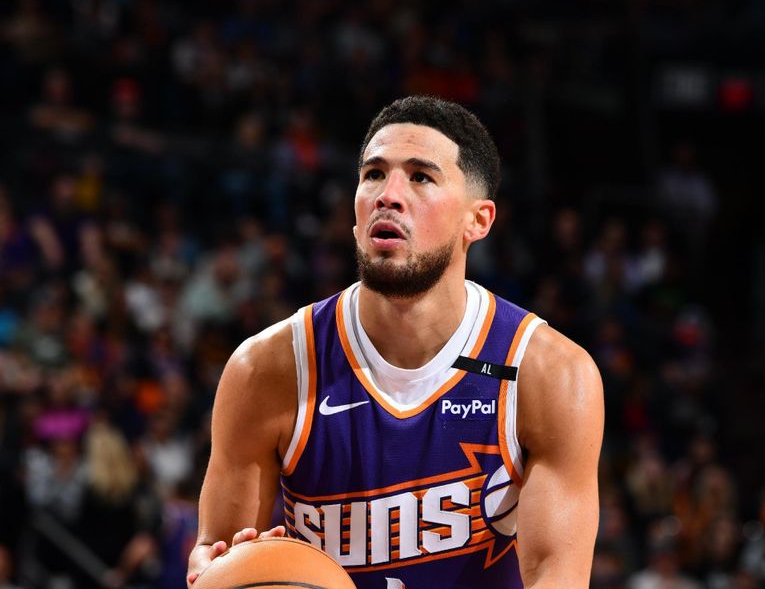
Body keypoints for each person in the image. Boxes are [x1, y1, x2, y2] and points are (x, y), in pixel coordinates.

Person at [187, 96, 604, 588]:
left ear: (479, 220)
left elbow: (556, 577)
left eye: (421, 177)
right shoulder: (269, 369)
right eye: (373, 175)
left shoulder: (547, 374)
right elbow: (216, 553)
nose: (389, 194)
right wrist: (215, 571)